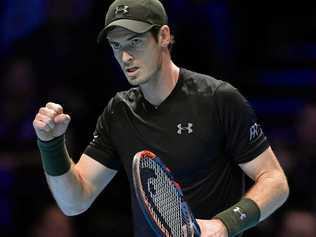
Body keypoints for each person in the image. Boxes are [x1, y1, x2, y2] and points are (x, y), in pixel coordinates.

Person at [32, 0, 289, 236]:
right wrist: (51, 145)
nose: (125, 56)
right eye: (116, 45)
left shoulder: (218, 99)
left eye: (135, 42)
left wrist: (225, 224)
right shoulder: (119, 111)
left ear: (163, 36)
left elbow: (275, 182)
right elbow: (74, 202)